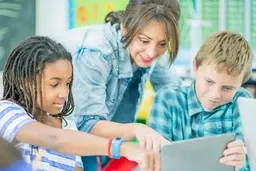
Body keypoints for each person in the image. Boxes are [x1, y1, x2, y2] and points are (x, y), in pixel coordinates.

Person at [0, 36, 160, 171]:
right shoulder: (6, 111)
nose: (64, 93)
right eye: (54, 84)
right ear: (24, 82)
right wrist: (121, 148)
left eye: (68, 84)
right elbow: (54, 139)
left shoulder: (68, 128)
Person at [53, 0, 181, 169]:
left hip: (106, 142)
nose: (152, 52)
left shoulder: (152, 45)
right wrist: (137, 129)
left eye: (163, 44)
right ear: (126, 27)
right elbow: (85, 125)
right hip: (64, 136)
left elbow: (176, 97)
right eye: (144, 41)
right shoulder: (96, 52)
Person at [149, 31, 253, 171]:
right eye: (209, 81)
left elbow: (249, 163)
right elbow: (155, 161)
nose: (215, 95)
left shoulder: (241, 102)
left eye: (227, 88)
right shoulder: (167, 100)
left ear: (241, 83)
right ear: (195, 67)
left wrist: (240, 164)